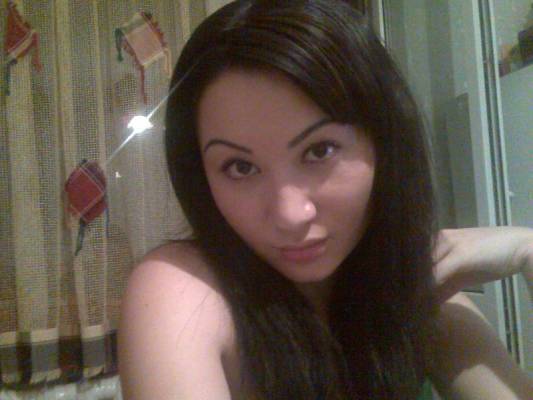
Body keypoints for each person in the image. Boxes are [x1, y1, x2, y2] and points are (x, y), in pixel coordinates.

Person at [117, 1, 533, 399]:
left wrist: (527, 249)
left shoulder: (421, 295)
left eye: (319, 151)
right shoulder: (182, 295)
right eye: (240, 168)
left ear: (384, 143)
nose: (290, 215)